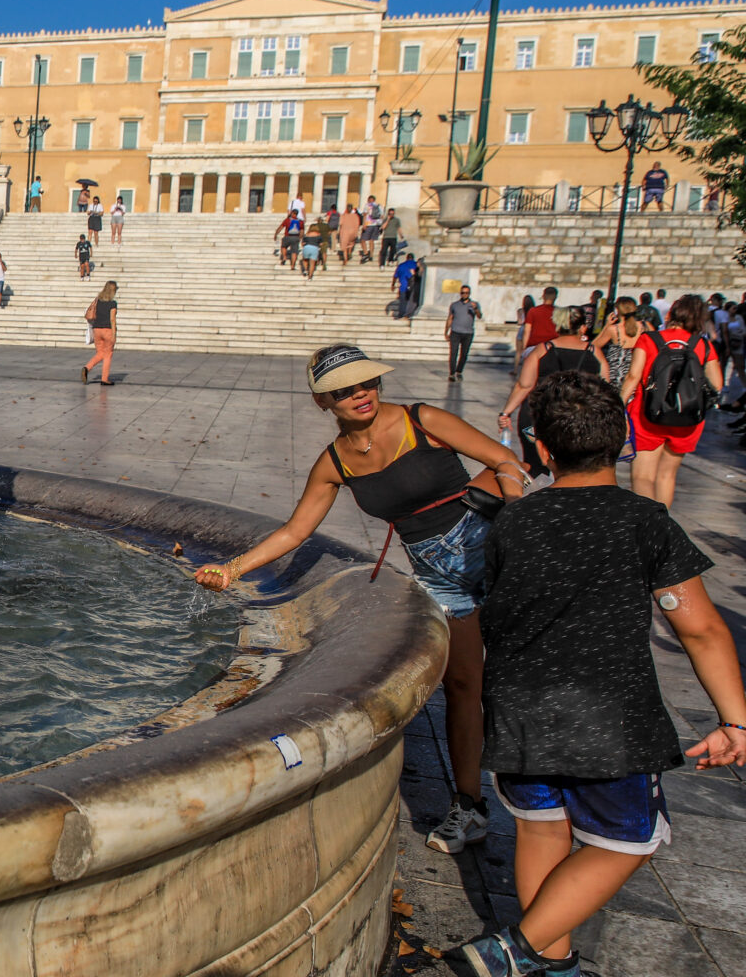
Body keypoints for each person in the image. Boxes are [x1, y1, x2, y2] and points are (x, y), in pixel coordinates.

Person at [459, 371, 746, 977]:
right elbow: (698, 626)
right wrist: (737, 721)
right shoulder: (645, 521)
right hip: (608, 719)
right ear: (620, 440)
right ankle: (518, 948)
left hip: (521, 711)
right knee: (627, 842)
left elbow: (493, 607)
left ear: (542, 447)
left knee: (540, 831)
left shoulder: (514, 521)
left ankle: (558, 973)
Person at [196, 346, 528, 851]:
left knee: (527, 667)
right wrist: (231, 568)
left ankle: (552, 785)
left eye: (366, 383)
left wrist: (519, 513)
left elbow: (505, 460)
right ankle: (471, 805)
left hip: (494, 542)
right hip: (436, 572)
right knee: (463, 685)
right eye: (345, 390)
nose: (360, 395)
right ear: (323, 401)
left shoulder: (424, 421)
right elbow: (295, 530)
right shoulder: (333, 463)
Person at [622, 293, 722, 508]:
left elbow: (633, 377)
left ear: (672, 313)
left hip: (648, 414)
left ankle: (649, 526)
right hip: (686, 417)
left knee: (642, 477)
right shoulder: (703, 345)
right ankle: (663, 527)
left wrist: (618, 406)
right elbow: (718, 384)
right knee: (667, 476)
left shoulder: (649, 339)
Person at [499, 306, 608, 475]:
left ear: (558, 326)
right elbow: (604, 388)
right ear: (583, 327)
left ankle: (535, 498)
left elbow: (524, 385)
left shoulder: (543, 349)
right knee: (574, 469)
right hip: (577, 418)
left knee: (534, 466)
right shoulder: (594, 353)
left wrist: (505, 413)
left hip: (539, 415)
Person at [594, 296, 642, 388]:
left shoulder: (613, 330)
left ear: (617, 310)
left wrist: (606, 326)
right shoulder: (644, 326)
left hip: (616, 375)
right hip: (636, 373)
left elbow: (593, 346)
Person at [445, 285, 483, 380]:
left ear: (469, 294)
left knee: (464, 354)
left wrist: (475, 309)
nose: (464, 294)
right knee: (453, 352)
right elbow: (450, 318)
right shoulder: (454, 305)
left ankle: (459, 370)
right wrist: (446, 331)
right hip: (455, 332)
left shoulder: (474, 304)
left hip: (468, 333)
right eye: (463, 293)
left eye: (466, 293)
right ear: (460, 293)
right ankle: (452, 373)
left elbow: (479, 316)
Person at [83, 280, 117, 384]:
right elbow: (112, 319)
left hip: (97, 329)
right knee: (108, 354)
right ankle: (104, 379)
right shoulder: (112, 303)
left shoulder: (98, 301)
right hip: (107, 330)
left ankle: (86, 368)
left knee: (101, 353)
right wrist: (114, 334)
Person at [523, 287, 560, 354]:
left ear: (543, 296)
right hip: (553, 346)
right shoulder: (559, 312)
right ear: (555, 297)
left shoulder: (533, 311)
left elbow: (527, 331)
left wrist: (524, 347)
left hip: (534, 346)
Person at [392, 249, 420, 317]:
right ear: (413, 258)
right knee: (413, 301)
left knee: (403, 302)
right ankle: (410, 314)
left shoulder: (401, 266)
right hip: (414, 287)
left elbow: (395, 276)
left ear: (406, 258)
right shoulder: (416, 265)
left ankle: (401, 314)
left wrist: (393, 285)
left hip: (403, 287)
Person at [338, 204, 362, 268]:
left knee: (344, 245)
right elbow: (358, 224)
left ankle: (345, 259)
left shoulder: (343, 216)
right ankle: (349, 252)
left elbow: (340, 223)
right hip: (353, 232)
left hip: (345, 231)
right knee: (351, 244)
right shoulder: (356, 216)